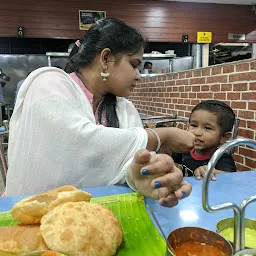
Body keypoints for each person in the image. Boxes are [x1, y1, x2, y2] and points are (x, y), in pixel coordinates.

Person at [6, 18, 195, 207]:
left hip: (94, 215)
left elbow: (125, 163)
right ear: (105, 59)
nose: (138, 76)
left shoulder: (124, 108)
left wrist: (144, 176)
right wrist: (161, 136)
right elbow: (78, 145)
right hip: (33, 212)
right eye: (133, 64)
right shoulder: (49, 83)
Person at [172, 100, 236, 181]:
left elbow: (231, 179)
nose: (197, 133)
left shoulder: (222, 159)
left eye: (207, 128)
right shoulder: (185, 149)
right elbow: (172, 158)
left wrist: (213, 172)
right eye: (194, 125)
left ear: (224, 137)